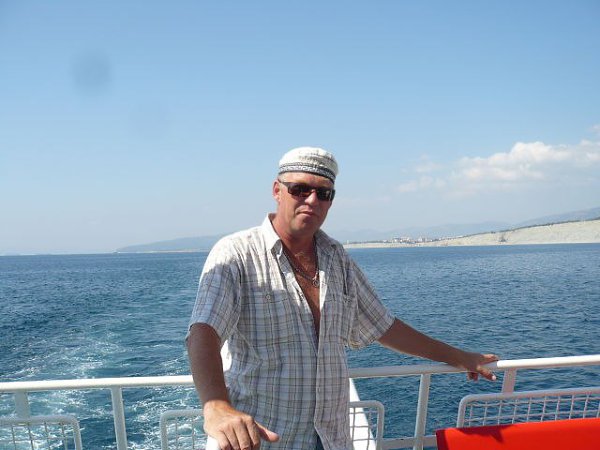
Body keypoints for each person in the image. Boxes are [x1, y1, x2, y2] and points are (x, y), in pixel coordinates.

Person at [187, 147, 498, 450]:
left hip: (331, 439)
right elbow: (204, 331)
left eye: (324, 193)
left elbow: (384, 326)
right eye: (300, 189)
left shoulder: (336, 258)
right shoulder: (237, 253)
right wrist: (216, 406)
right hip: (263, 439)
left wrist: (459, 357)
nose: (312, 200)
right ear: (277, 191)